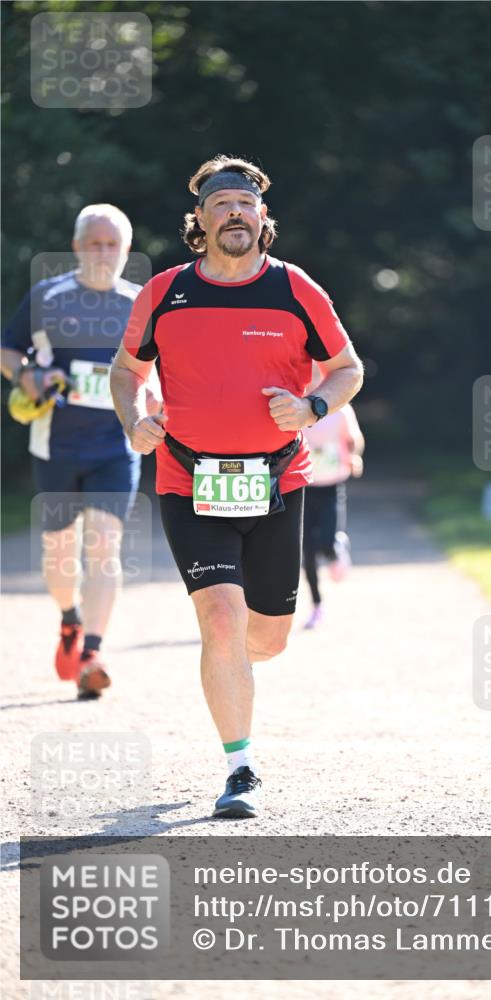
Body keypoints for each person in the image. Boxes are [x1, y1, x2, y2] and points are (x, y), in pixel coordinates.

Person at [110, 154, 363, 819]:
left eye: (246, 205)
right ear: (199, 220)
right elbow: (126, 371)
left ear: (262, 219)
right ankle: (240, 767)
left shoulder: (294, 289)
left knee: (266, 638)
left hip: (277, 479)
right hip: (186, 477)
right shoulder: (165, 291)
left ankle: (231, 661)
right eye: (221, 205)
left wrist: (312, 409)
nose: (235, 214)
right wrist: (135, 418)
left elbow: (346, 369)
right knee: (220, 618)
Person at [1, 204, 147, 699]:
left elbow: (163, 370)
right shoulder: (48, 297)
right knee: (60, 553)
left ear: (126, 250)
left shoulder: (141, 304)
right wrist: (28, 376)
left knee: (105, 545)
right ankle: (69, 620)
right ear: (79, 245)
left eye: (113, 245)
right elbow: (8, 348)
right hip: (56, 445)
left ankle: (93, 653)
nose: (104, 252)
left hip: (116, 445)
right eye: (95, 243)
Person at [302, 363, 365, 629]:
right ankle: (317, 606)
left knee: (325, 543)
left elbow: (355, 440)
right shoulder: (295, 409)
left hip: (331, 486)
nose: (314, 382)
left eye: (319, 376)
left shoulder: (339, 410)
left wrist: (353, 456)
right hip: (302, 488)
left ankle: (336, 547)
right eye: (309, 377)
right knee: (306, 552)